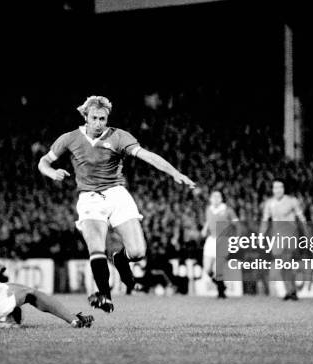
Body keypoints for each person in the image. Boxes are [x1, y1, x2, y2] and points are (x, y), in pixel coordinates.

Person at [38, 95, 195, 313]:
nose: (99, 123)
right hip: (89, 197)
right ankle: (105, 295)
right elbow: (43, 161)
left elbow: (147, 156)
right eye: (94, 118)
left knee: (138, 252)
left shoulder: (118, 136)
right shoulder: (70, 138)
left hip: (117, 194)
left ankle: (121, 259)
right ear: (86, 116)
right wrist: (51, 172)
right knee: (96, 246)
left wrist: (174, 172)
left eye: (102, 119)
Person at [259, 180, 307, 301]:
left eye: (280, 187)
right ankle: (290, 291)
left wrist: (306, 234)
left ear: (284, 189)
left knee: (287, 261)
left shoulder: (292, 201)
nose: (277, 190)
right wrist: (261, 235)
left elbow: (302, 218)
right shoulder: (269, 203)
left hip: (290, 235)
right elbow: (265, 220)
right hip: (277, 236)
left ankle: (291, 291)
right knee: (282, 265)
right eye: (275, 188)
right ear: (272, 189)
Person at [200, 190, 239, 298]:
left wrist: (236, 239)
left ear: (221, 198)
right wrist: (205, 228)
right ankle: (221, 286)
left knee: (217, 270)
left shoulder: (228, 210)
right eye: (213, 196)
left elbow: (237, 225)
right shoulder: (209, 209)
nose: (215, 198)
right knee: (207, 270)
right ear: (210, 199)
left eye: (218, 196)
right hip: (211, 240)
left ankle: (221, 292)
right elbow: (208, 220)